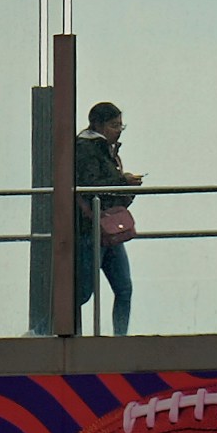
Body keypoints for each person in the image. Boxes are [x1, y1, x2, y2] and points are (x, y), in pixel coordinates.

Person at [73, 101, 141, 335]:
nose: (118, 131)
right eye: (114, 125)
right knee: (83, 292)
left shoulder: (101, 149)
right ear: (98, 125)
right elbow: (91, 186)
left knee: (123, 288)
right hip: (92, 229)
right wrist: (124, 183)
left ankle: (117, 337)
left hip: (105, 228)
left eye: (121, 126)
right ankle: (59, 332)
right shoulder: (87, 149)